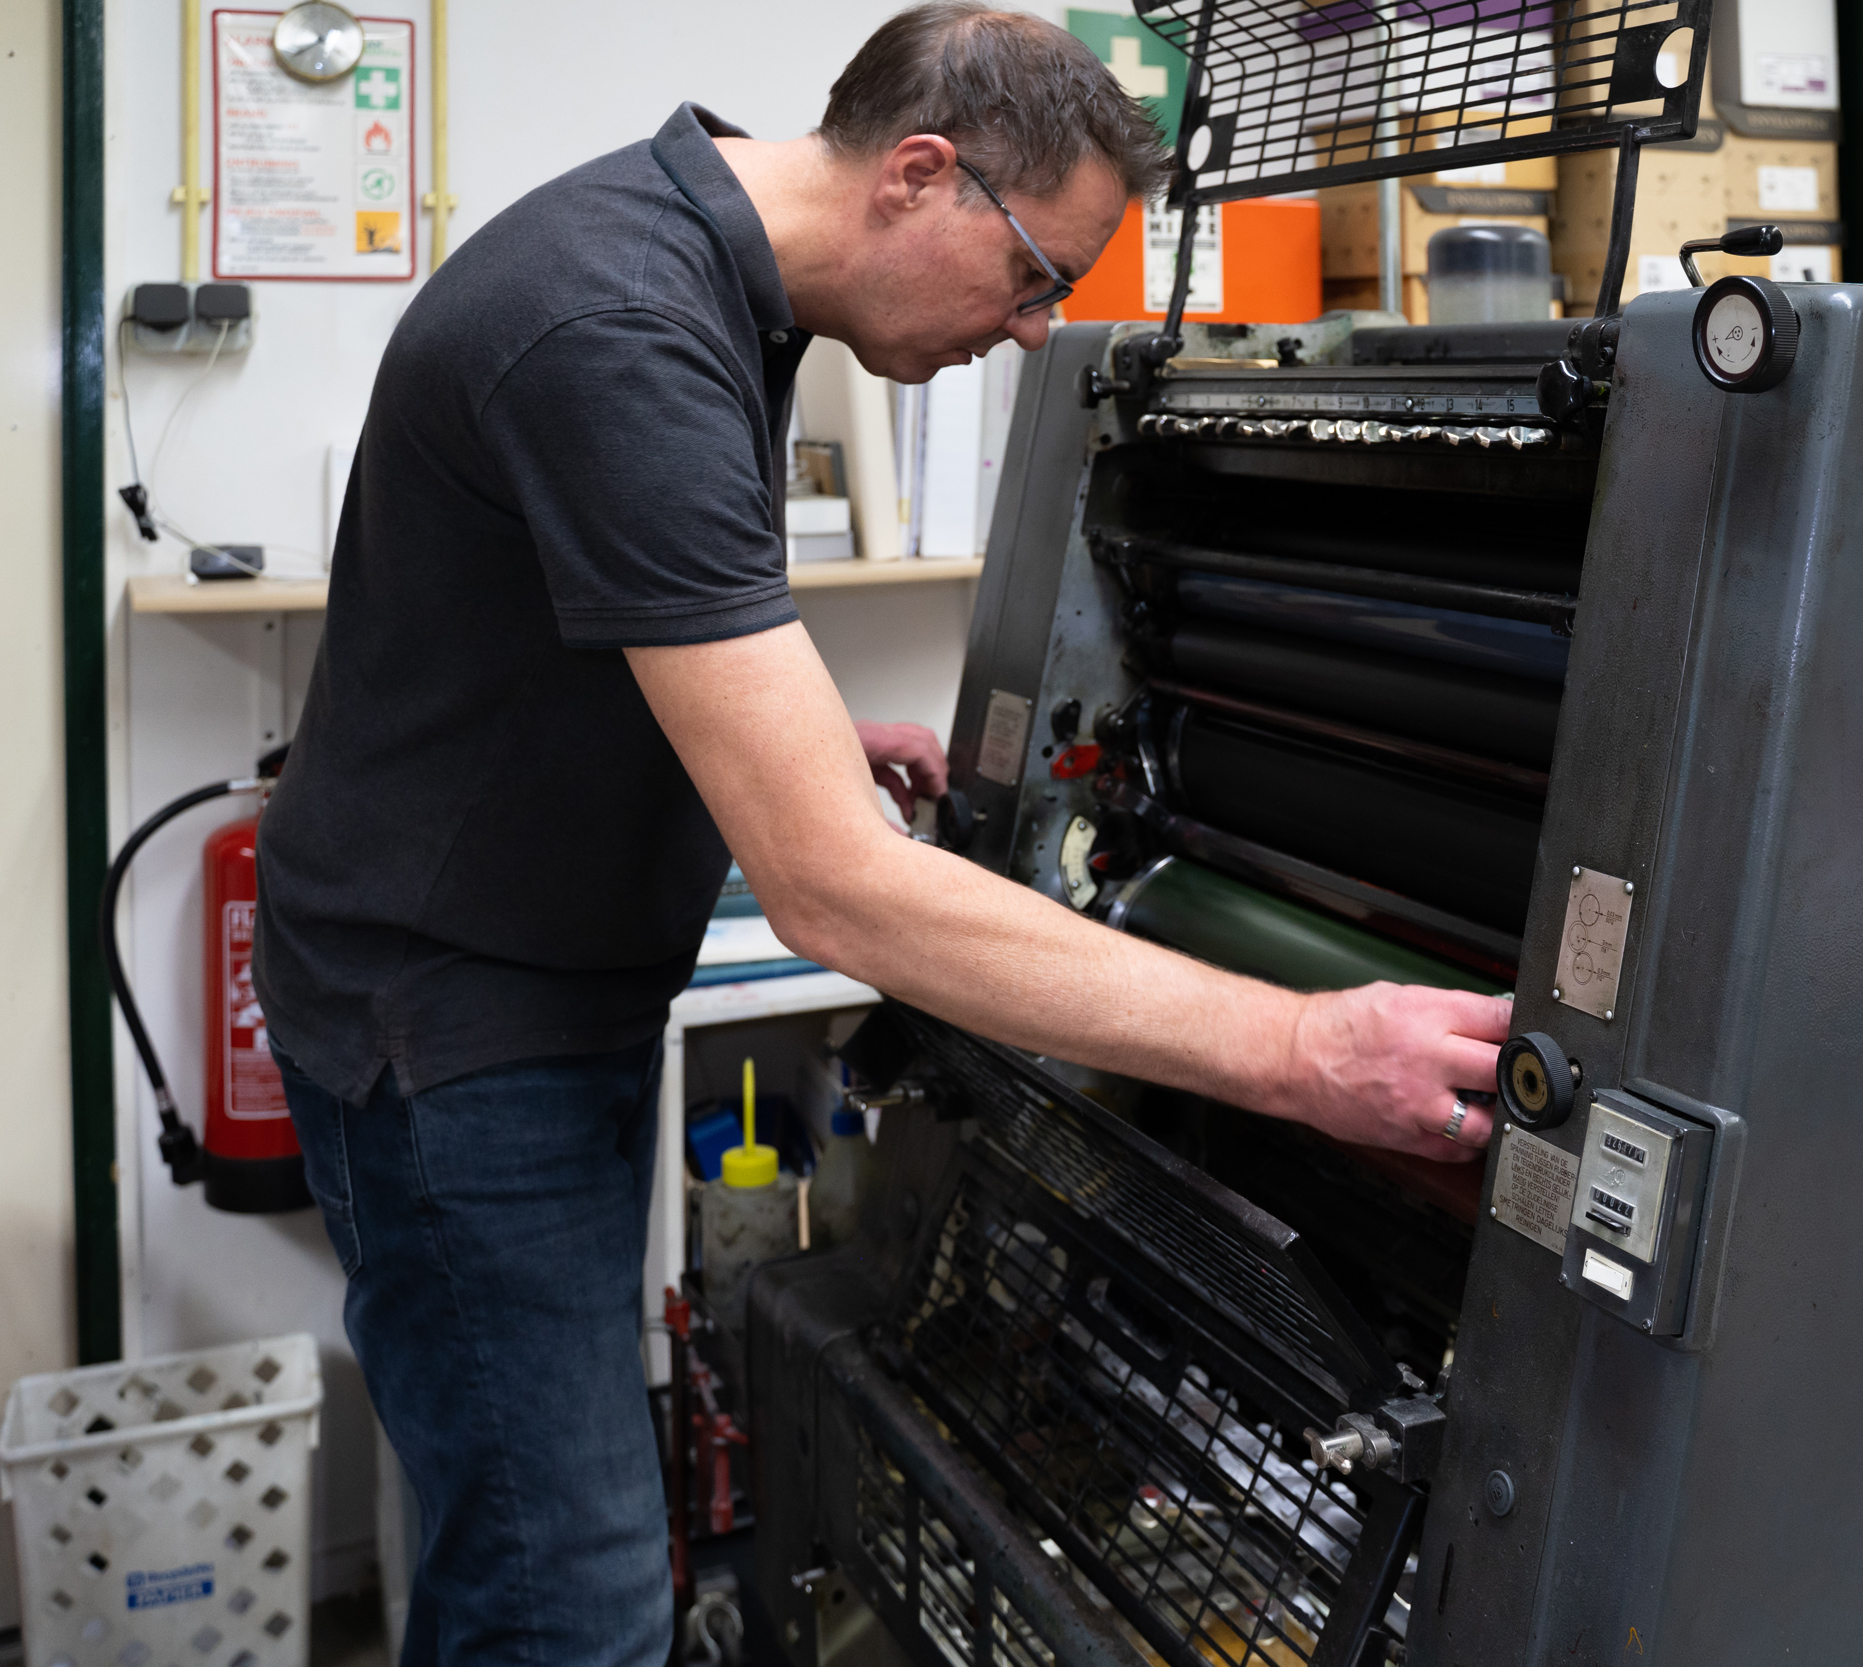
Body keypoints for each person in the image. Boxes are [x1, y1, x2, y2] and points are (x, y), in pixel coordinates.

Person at [253, 5, 1511, 1662]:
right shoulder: (620, 322)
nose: (1031, 329)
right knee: (568, 1605)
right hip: (457, 1034)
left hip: (509, 992)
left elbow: (595, 603)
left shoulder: (698, 267)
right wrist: (1300, 1050)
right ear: (921, 175)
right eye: (1038, 275)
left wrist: (798, 736)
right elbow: (838, 892)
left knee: (541, 1553)